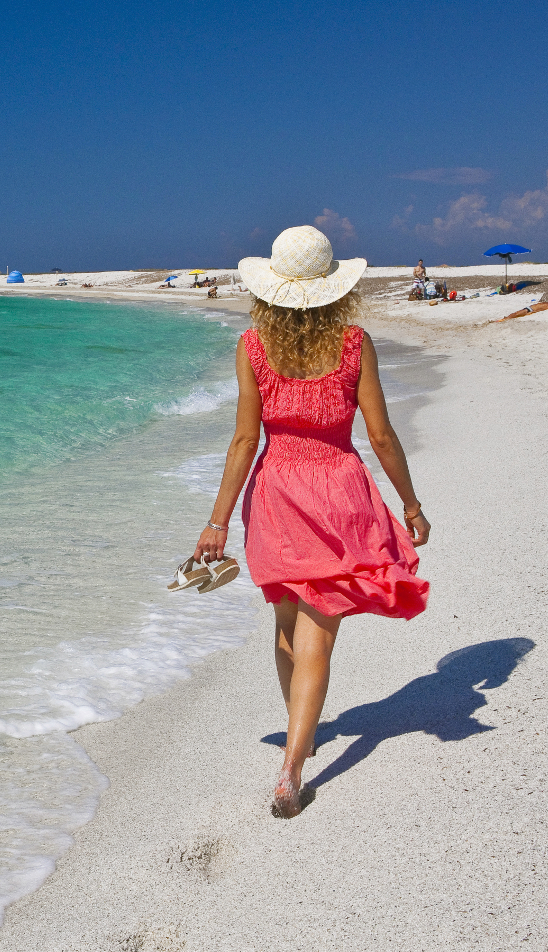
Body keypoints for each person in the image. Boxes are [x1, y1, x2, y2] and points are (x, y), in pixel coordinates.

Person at [197, 225, 431, 818]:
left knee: (287, 624)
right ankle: (293, 768)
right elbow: (379, 434)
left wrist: (218, 522)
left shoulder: (252, 347)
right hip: (337, 495)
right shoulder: (355, 344)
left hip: (275, 495)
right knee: (316, 633)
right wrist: (410, 505)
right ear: (334, 289)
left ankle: (298, 740)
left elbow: (245, 439)